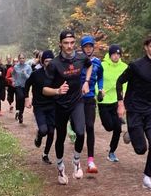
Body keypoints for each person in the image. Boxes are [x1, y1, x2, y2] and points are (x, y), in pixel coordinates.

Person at [116, 34, 151, 191]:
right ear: (146, 47)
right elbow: (120, 82)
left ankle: (147, 177)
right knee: (141, 149)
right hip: (134, 109)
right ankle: (132, 134)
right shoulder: (136, 66)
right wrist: (120, 103)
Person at [43, 30, 92, 185]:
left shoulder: (81, 57)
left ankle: (76, 161)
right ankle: (60, 167)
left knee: (80, 132)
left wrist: (86, 82)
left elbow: (89, 66)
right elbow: (44, 89)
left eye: (72, 43)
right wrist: (57, 91)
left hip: (77, 102)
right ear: (60, 44)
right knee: (61, 137)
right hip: (60, 105)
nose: (69, 46)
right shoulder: (54, 64)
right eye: (66, 43)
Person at [25, 50, 56, 164]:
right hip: (39, 106)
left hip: (53, 106)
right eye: (46, 61)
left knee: (52, 132)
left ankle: (45, 154)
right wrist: (26, 98)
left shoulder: (56, 74)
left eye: (51, 61)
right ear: (42, 62)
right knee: (44, 130)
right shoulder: (36, 74)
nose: (49, 63)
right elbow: (27, 85)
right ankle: (39, 135)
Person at [98, 44, 127, 162]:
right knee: (109, 127)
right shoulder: (102, 65)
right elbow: (96, 79)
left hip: (116, 100)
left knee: (117, 129)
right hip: (104, 101)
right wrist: (98, 91)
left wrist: (124, 93)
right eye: (114, 54)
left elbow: (126, 82)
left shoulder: (124, 67)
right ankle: (117, 121)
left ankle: (112, 152)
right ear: (110, 55)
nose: (116, 56)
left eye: (118, 54)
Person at [80, 36, 104, 174]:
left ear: (93, 48)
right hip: (77, 99)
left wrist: (100, 89)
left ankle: (90, 160)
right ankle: (77, 156)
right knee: (79, 129)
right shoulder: (77, 61)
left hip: (90, 98)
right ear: (82, 47)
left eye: (90, 46)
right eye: (85, 46)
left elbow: (100, 76)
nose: (88, 49)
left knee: (90, 126)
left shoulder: (97, 63)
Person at [12, 53, 32, 123]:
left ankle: (21, 114)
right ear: (18, 59)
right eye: (20, 58)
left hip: (26, 86)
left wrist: (25, 73)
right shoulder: (16, 67)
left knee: (23, 99)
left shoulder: (28, 67)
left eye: (23, 58)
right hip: (18, 85)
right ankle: (18, 110)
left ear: (25, 59)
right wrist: (13, 81)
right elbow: (13, 74)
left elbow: (30, 78)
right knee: (20, 97)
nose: (22, 59)